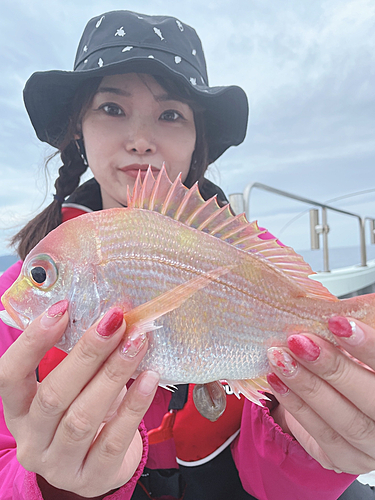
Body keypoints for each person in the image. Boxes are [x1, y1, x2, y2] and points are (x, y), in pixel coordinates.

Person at [1, 10, 375, 500]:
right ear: (78, 129)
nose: (140, 139)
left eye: (170, 114)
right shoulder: (14, 300)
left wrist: (317, 442)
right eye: (112, 109)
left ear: (198, 136)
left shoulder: (258, 257)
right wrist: (55, 486)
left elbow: (275, 481)